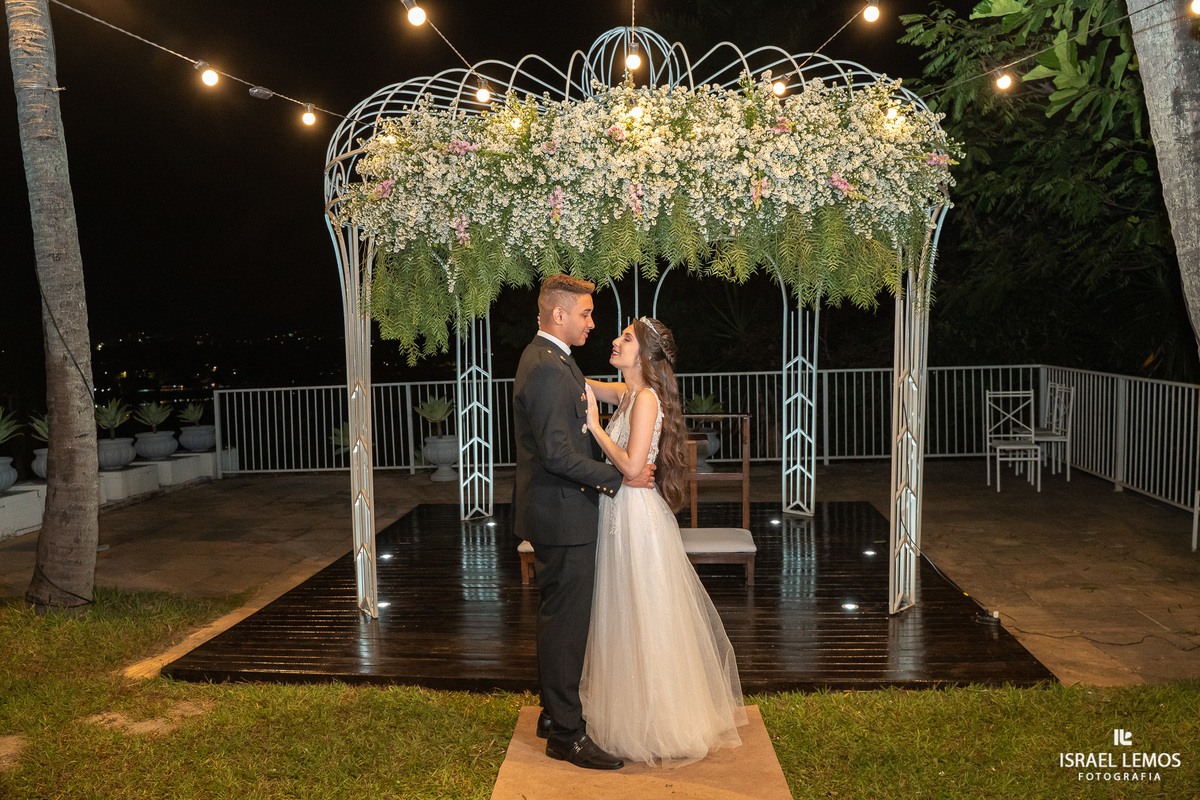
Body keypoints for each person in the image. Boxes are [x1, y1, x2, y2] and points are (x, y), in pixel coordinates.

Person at [580, 316, 747, 767]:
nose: (615, 341)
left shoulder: (647, 399)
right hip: (619, 516)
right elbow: (589, 384)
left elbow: (634, 469)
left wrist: (596, 430)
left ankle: (664, 721)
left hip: (638, 522)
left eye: (626, 339)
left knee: (647, 614)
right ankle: (633, 715)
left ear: (644, 357)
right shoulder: (629, 392)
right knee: (624, 615)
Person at [512, 274, 655, 771]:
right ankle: (567, 736)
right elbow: (556, 454)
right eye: (586, 314)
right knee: (566, 626)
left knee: (559, 621)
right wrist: (619, 478)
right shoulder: (548, 367)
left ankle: (555, 716)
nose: (593, 323)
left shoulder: (552, 359)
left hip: (558, 511)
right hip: (562, 513)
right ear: (559, 315)